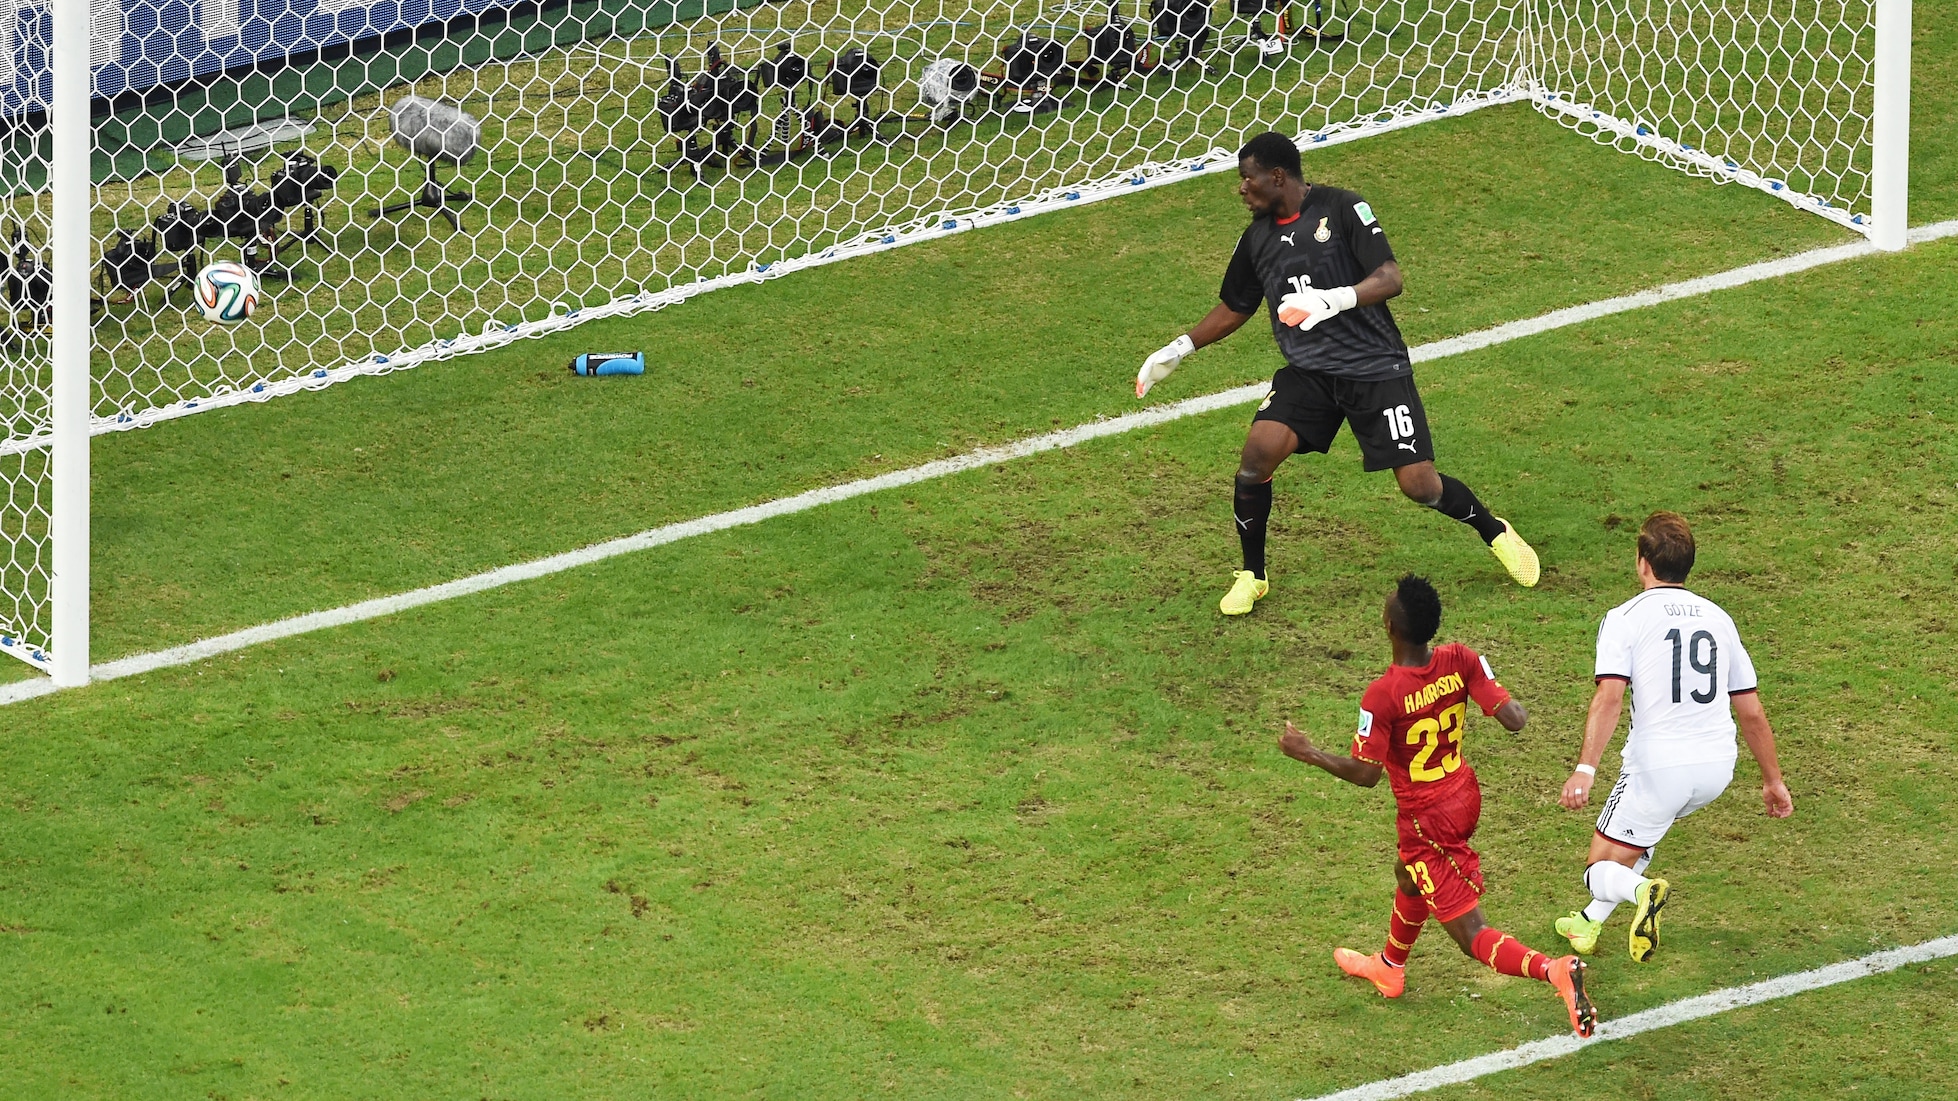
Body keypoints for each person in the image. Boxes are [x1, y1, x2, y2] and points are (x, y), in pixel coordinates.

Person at [1135, 131, 1538, 617]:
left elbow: (1390, 278)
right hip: (1309, 373)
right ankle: (1252, 575)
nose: (1241, 188)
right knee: (1255, 460)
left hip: (1374, 367)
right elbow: (1236, 305)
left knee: (1420, 486)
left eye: (1247, 178)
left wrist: (1334, 299)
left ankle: (1495, 531)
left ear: (1277, 176)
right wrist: (1179, 348)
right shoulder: (1256, 239)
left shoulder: (1344, 209)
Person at [1279, 574, 1596, 1037]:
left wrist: (1307, 752)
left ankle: (1555, 971)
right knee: (1408, 873)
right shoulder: (1461, 658)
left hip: (1428, 820)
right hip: (1464, 794)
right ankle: (1390, 966)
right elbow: (1515, 719)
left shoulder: (1383, 694)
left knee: (1471, 934)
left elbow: (1366, 773)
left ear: (1389, 626)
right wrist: (1484, 684)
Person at [1554, 512, 1794, 963]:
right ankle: (1587, 922)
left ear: (1642, 562)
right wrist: (1773, 780)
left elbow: (1609, 698)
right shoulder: (1720, 619)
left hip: (1659, 768)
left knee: (1599, 867)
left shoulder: (1625, 617)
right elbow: (1751, 711)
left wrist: (1585, 769)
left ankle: (1643, 892)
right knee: (1641, 835)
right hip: (1716, 769)